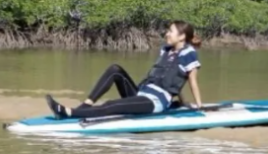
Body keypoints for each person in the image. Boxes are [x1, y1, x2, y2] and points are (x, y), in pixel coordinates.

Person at [45, 21, 203, 119]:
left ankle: (68, 112)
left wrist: (199, 106)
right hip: (141, 93)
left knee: (112, 104)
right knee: (115, 69)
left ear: (182, 37)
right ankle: (85, 106)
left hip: (154, 101)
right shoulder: (166, 50)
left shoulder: (189, 54)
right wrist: (182, 102)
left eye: (171, 31)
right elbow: (171, 77)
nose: (167, 34)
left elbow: (191, 80)